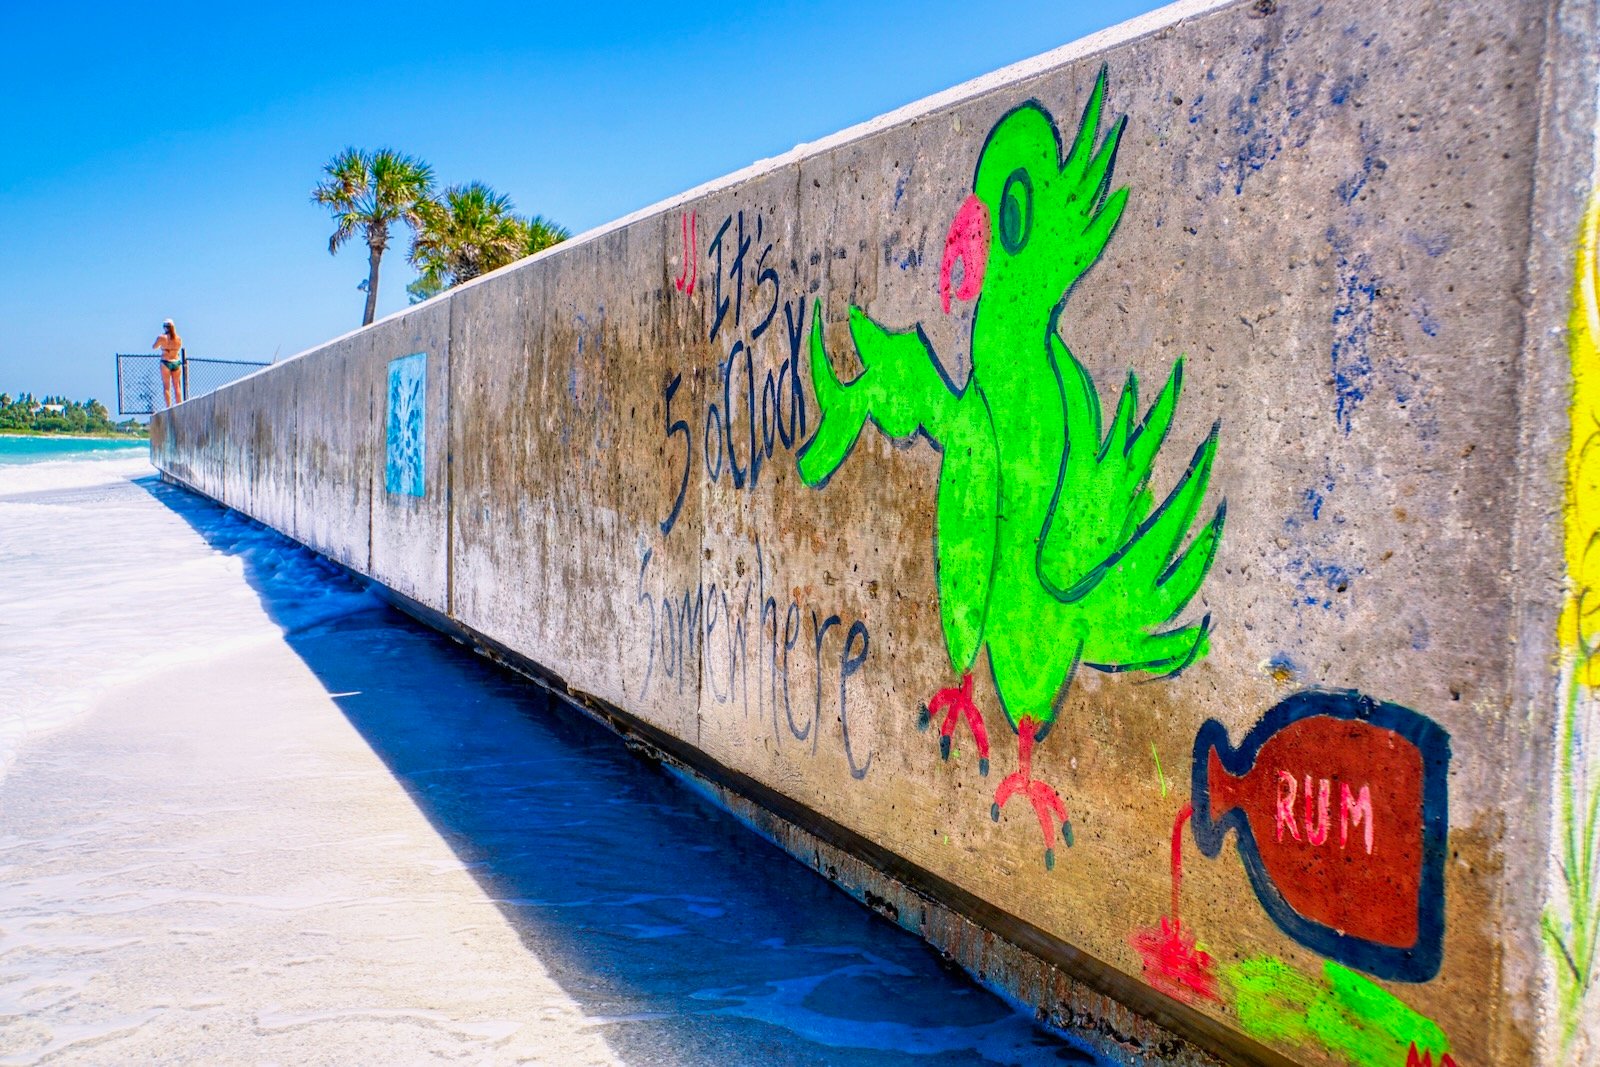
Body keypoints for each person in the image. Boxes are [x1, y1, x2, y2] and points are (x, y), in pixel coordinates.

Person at [152, 319, 184, 407]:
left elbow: (154, 347)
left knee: (166, 386)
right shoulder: (178, 338)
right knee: (177, 386)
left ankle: (168, 406)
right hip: (176, 361)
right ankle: (180, 405)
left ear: (165, 327)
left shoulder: (162, 337)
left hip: (165, 362)